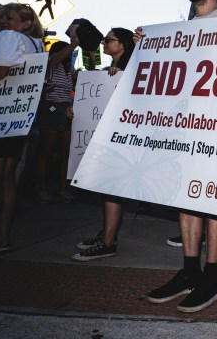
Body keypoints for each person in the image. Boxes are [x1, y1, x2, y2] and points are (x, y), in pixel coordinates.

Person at [142, 0, 217, 313]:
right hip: (183, 128)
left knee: (213, 196)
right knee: (185, 195)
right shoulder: (183, 28)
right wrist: (147, 46)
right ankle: (189, 270)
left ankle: (212, 275)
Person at [0, 2, 45, 260]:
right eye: (2, 17)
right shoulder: (36, 44)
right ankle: (1, 238)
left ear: (26, 23)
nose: (4, 21)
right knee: (8, 178)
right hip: (17, 120)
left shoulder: (8, 38)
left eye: (9, 17)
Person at [72, 27, 135, 261]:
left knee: (111, 188)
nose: (104, 43)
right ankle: (107, 234)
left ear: (124, 44)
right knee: (105, 188)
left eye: (109, 40)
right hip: (106, 135)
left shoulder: (131, 70)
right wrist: (77, 108)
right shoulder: (106, 73)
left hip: (121, 136)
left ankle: (109, 242)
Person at [34, 37, 77, 204]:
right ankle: (42, 189)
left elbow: (82, 76)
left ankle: (62, 189)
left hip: (66, 108)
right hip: (51, 107)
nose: (69, 54)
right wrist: (73, 42)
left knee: (66, 153)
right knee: (47, 150)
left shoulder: (68, 69)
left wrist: (92, 59)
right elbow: (55, 58)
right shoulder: (51, 63)